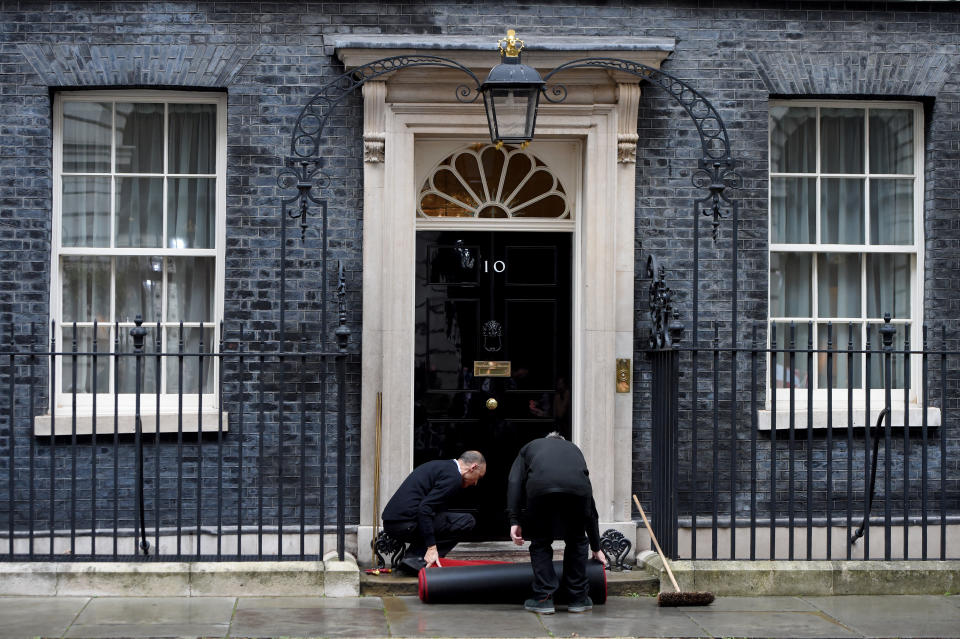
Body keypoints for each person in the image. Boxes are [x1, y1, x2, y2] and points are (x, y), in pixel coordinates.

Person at [507, 432, 607, 614]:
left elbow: (514, 481)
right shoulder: (575, 450)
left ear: (546, 441)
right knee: (577, 540)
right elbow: (590, 506)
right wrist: (596, 546)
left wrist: (514, 520)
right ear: (562, 442)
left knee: (540, 541)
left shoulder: (531, 446)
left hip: (540, 490)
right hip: (577, 493)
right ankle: (578, 599)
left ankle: (543, 598)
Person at [382, 450, 486, 575]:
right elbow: (425, 509)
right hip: (404, 524)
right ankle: (420, 562)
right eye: (478, 477)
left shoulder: (441, 466)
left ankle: (411, 560)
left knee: (442, 520)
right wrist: (432, 547)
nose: (475, 483)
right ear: (473, 467)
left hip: (392, 522)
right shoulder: (454, 477)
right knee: (467, 521)